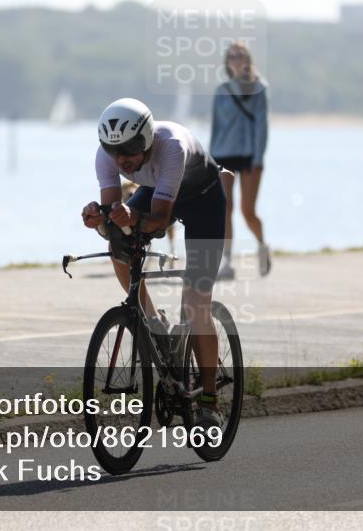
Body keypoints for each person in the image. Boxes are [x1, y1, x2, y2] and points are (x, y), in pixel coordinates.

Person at [81, 97, 226, 429]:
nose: (123, 160)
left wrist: (131, 215)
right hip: (156, 190)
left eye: (131, 150)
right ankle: (152, 318)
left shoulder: (171, 146)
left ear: (147, 139)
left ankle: (208, 403)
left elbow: (159, 221)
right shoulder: (107, 157)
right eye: (115, 152)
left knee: (195, 304)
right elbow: (113, 220)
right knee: (118, 242)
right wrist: (98, 219)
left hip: (204, 199)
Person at [209, 42, 271, 279]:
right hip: (223, 154)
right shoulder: (221, 89)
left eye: (240, 56)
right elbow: (215, 127)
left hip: (249, 156)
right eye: (232, 56)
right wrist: (209, 159)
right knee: (225, 208)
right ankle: (227, 262)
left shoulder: (259, 88)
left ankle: (262, 245)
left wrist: (258, 158)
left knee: (247, 210)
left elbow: (262, 127)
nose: (236, 60)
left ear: (247, 60)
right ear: (227, 61)